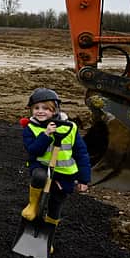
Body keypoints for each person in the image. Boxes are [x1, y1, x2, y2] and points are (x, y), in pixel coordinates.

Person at [20, 88, 90, 244]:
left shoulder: (70, 128)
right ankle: (33, 205)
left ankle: (47, 239)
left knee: (55, 205)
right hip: (42, 166)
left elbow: (81, 153)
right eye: (36, 108)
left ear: (55, 110)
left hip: (65, 174)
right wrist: (45, 135)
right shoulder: (30, 128)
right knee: (39, 177)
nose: (40, 111)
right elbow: (32, 150)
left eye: (45, 108)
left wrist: (84, 179)